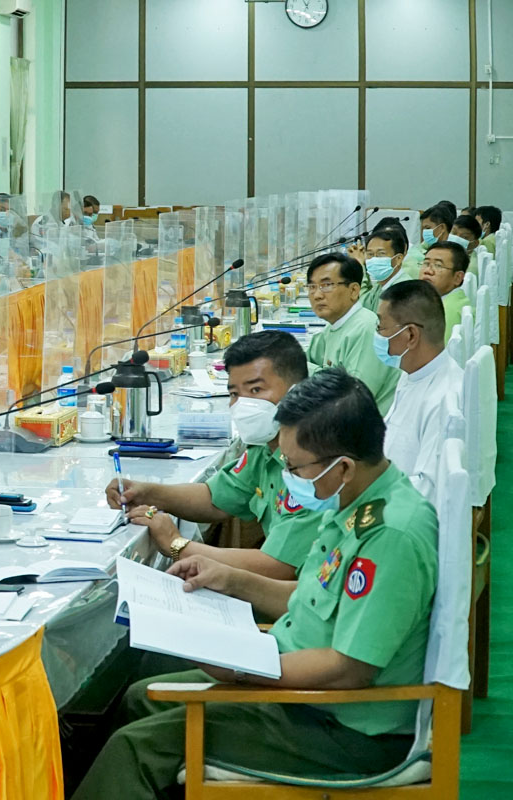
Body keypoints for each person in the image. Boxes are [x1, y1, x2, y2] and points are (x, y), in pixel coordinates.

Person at [76, 368, 438, 800]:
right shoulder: (355, 500)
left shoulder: (389, 536)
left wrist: (241, 670)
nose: (287, 475)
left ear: (342, 467)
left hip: (343, 728)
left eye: (294, 467)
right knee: (142, 697)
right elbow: (311, 600)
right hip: (302, 686)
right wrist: (231, 580)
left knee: (135, 749)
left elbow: (349, 668)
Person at [105, 331, 317, 581]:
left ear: (296, 392)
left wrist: (176, 544)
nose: (242, 405)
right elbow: (216, 499)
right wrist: (147, 493)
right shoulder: (266, 444)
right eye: (234, 394)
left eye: (256, 389)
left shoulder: (313, 459)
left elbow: (281, 567)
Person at [375, 280, 464, 499]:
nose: (376, 335)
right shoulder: (412, 371)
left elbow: (425, 489)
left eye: (380, 327)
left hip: (397, 504)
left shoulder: (444, 397)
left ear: (411, 335)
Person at [305, 253, 400, 414]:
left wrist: (309, 372)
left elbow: (354, 400)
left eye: (326, 285)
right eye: (312, 287)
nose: (317, 295)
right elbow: (304, 359)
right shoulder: (335, 325)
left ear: (354, 290)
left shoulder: (365, 328)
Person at [419, 241, 471, 344]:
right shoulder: (443, 300)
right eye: (426, 263)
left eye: (438, 266)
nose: (428, 271)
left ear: (458, 277)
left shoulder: (448, 313)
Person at [359, 227, 413, 312]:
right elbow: (364, 306)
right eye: (370, 254)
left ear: (398, 259)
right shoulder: (381, 285)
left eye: (381, 254)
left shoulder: (404, 291)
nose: (374, 259)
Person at [401, 203, 454, 278]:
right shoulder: (416, 251)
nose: (424, 232)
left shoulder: (455, 251)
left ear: (441, 228)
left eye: (428, 228)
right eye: (423, 229)